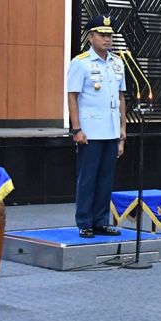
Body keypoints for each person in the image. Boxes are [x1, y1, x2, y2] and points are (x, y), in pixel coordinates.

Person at [67, 14, 127, 238]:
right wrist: (76, 129)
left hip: (111, 130)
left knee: (105, 179)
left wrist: (122, 129)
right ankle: (84, 222)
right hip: (90, 131)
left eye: (109, 35)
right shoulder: (80, 62)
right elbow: (72, 96)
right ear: (90, 37)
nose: (107, 39)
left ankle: (101, 221)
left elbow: (121, 97)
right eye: (102, 35)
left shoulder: (117, 62)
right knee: (88, 179)